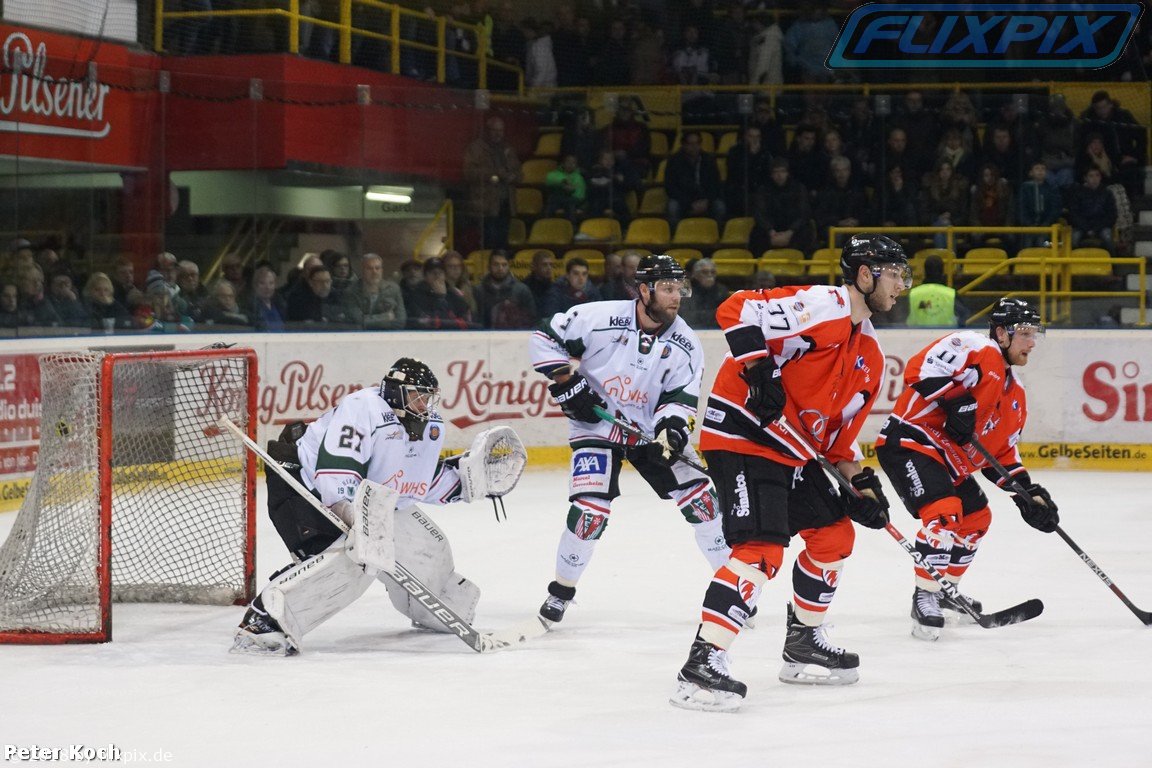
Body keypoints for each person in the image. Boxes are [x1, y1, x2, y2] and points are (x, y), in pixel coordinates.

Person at [671, 234, 911, 712]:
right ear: (865, 275)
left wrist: (861, 485)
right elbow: (736, 308)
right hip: (742, 434)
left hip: (793, 450)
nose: (902, 285)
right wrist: (759, 369)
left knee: (835, 534)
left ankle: (803, 642)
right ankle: (701, 663)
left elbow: (836, 444)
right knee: (760, 551)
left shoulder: (870, 357)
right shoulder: (823, 305)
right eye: (895, 274)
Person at [231, 358, 492, 655]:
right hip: (302, 485)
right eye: (415, 395)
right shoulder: (363, 408)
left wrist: (465, 483)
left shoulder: (429, 425)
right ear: (394, 392)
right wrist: (357, 521)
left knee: (425, 544)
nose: (423, 404)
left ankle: (433, 610)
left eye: (427, 397)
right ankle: (265, 620)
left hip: (363, 498)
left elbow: (411, 484)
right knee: (354, 559)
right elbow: (335, 473)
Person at [528, 255, 730, 626]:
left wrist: (671, 431)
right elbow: (544, 337)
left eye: (678, 288)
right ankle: (561, 592)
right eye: (666, 288)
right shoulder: (600, 317)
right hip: (596, 427)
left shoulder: (686, 343)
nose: (676, 297)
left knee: (703, 503)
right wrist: (567, 382)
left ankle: (733, 589)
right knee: (589, 513)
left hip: (650, 431)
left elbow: (681, 398)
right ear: (643, 291)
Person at [874, 298, 1059, 642]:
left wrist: (1027, 494)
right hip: (911, 440)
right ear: (1001, 333)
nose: (1032, 342)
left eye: (1035, 334)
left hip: (948, 460)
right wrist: (958, 401)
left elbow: (999, 453)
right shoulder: (975, 346)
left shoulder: (1016, 395)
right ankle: (925, 595)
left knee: (976, 519)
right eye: (1025, 333)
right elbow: (920, 368)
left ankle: (946, 590)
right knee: (945, 513)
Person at [462, 115, 522, 250]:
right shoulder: (476, 148)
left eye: (500, 130)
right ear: (487, 131)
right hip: (486, 204)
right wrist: (493, 175)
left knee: (503, 240)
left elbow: (519, 173)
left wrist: (512, 177)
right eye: (494, 130)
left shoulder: (508, 149)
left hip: (506, 203)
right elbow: (469, 172)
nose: (498, 133)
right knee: (489, 240)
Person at [344, 252, 406, 330]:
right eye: (369, 268)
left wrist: (369, 321)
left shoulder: (394, 289)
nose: (374, 272)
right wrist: (386, 317)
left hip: (388, 335)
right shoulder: (351, 291)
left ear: (382, 270)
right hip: (361, 336)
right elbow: (357, 321)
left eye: (377, 268)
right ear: (362, 270)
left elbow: (401, 322)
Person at [906, 254, 969, 327]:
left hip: (915, 333)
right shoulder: (951, 294)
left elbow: (902, 316)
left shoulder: (913, 293)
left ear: (924, 271)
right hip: (947, 333)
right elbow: (963, 316)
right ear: (942, 271)